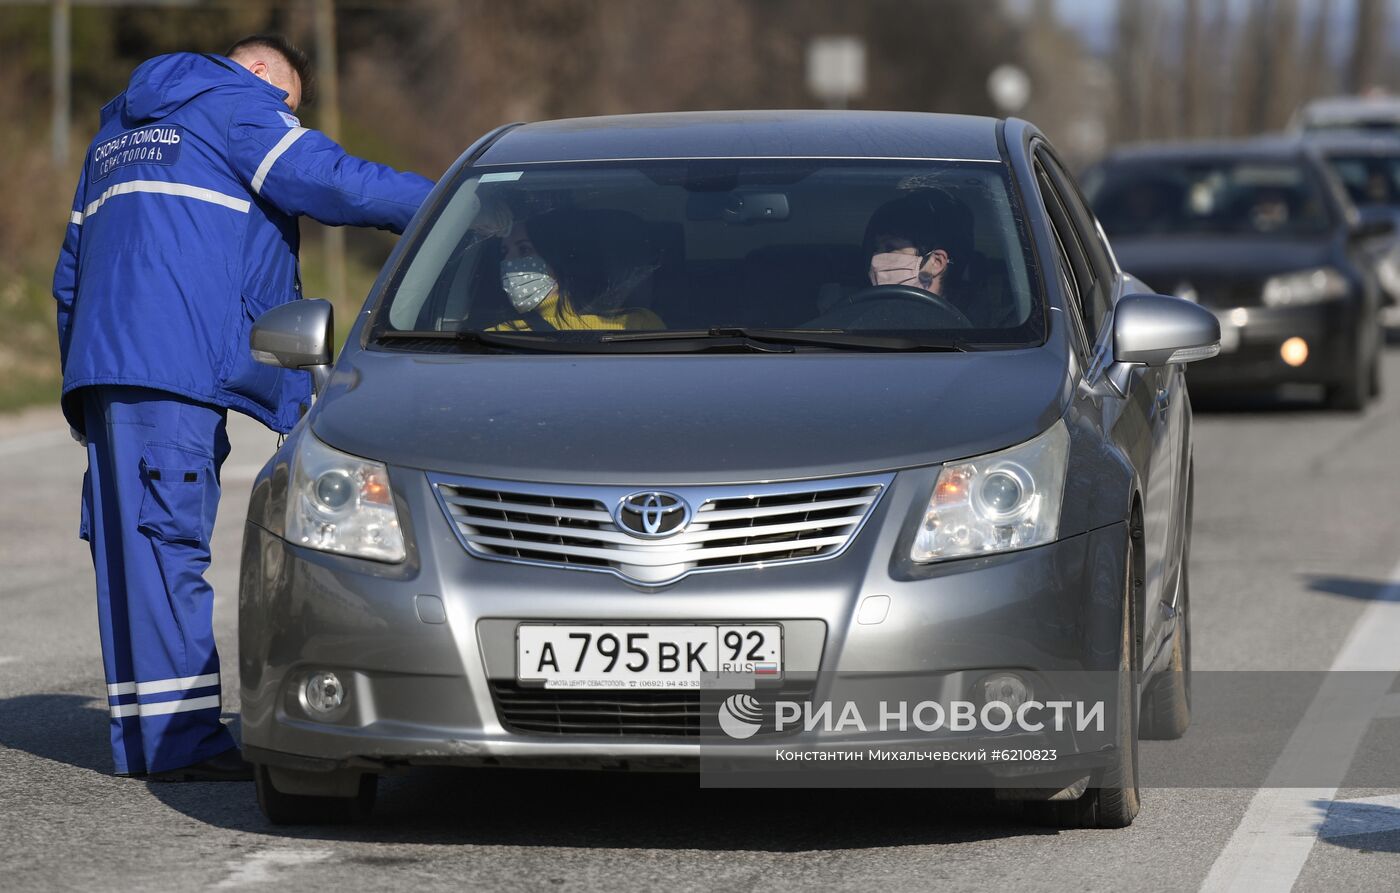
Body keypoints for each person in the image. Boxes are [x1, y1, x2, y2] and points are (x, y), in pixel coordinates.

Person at [53, 35, 435, 781]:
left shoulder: (113, 139)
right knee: (166, 543)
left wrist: (80, 390)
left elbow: (71, 278)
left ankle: (151, 737)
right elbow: (333, 182)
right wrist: (449, 201)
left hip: (108, 366)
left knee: (134, 548)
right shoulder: (236, 104)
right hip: (173, 363)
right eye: (288, 103)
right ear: (261, 72)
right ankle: (178, 745)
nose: (284, 116)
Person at [489, 213, 664, 332]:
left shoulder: (636, 323)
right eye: (504, 252)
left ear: (556, 258)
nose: (508, 261)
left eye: (524, 250)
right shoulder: (495, 335)